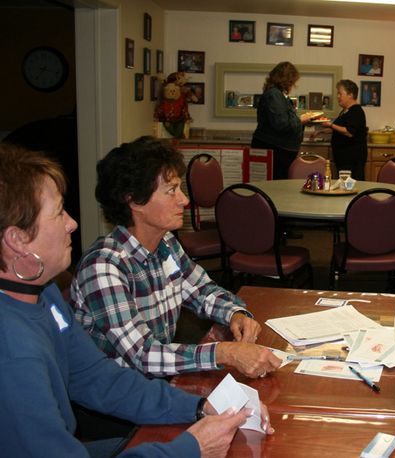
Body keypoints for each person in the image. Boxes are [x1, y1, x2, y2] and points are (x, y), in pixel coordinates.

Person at [0, 144, 273, 457]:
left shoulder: (43, 294)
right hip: (103, 424)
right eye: (59, 212)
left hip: (132, 401)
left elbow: (96, 377)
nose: (72, 223)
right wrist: (190, 448)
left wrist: (200, 406)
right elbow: (141, 357)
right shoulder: (12, 349)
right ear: (16, 239)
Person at [70, 137, 281, 379]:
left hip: (154, 384)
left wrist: (235, 314)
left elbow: (202, 291)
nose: (184, 200)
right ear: (134, 200)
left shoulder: (165, 243)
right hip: (114, 400)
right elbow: (144, 354)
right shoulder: (103, 267)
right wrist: (225, 352)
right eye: (171, 191)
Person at [251, 62, 316, 179]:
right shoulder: (274, 94)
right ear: (286, 80)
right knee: (275, 187)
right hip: (276, 151)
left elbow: (285, 120)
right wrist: (301, 120)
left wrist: (303, 121)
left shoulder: (278, 94)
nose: (293, 85)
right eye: (292, 81)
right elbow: (281, 124)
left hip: (280, 151)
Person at [313, 80, 368, 181]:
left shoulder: (356, 111)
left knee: (350, 186)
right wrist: (322, 131)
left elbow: (349, 132)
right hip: (343, 158)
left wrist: (331, 125)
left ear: (350, 95)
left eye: (340, 93)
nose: (338, 96)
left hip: (351, 159)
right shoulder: (345, 111)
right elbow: (339, 128)